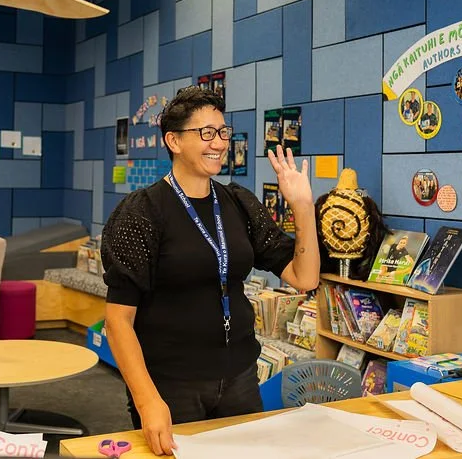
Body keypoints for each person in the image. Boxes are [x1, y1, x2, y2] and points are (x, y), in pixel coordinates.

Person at [100, 87, 320, 456]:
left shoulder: (238, 202)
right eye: (205, 133)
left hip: (239, 379)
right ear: (173, 141)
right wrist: (147, 401)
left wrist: (302, 207)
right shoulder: (141, 213)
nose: (218, 142)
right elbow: (118, 321)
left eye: (222, 132)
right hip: (171, 385)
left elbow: (305, 277)